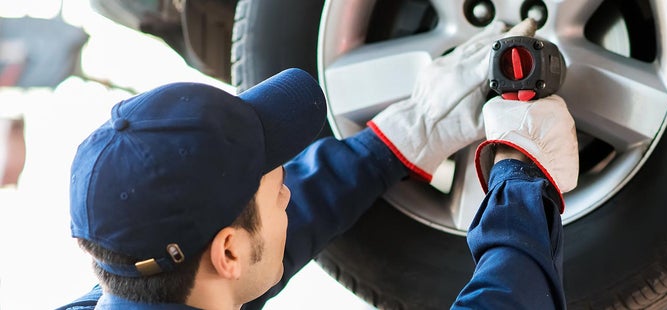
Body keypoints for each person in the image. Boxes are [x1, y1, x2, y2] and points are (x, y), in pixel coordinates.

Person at [59, 19, 577, 309]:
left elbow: (266, 227)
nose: (288, 184)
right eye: (272, 177)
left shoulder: (147, 282)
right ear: (228, 254)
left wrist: (395, 141)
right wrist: (522, 178)